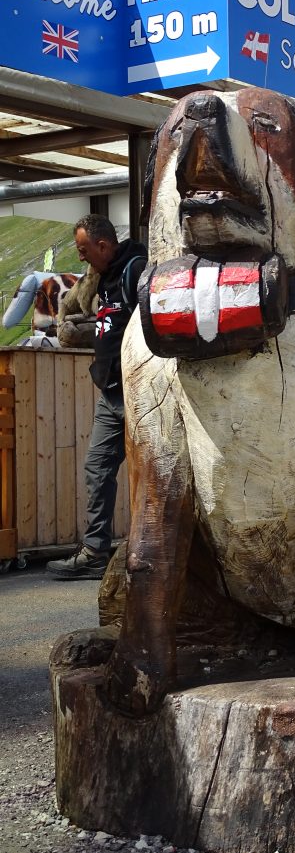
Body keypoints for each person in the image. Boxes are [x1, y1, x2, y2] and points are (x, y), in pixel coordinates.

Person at [47, 215, 147, 580]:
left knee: (153, 474)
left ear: (103, 246)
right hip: (111, 392)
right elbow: (112, 323)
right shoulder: (100, 278)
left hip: (142, 393)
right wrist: (86, 333)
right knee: (97, 468)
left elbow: (147, 322)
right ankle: (95, 552)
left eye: (84, 250)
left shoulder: (136, 271)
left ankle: (153, 554)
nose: (82, 258)